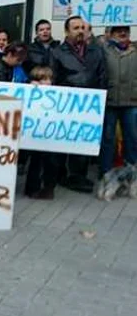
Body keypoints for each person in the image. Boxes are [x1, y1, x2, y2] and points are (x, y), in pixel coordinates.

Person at [52, 15, 107, 193]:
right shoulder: (57, 52)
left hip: (89, 104)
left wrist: (100, 97)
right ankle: (59, 174)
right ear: (67, 31)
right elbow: (52, 78)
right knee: (63, 141)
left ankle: (78, 176)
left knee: (82, 141)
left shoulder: (96, 51)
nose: (80, 31)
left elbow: (102, 76)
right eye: (76, 28)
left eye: (83, 28)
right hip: (65, 104)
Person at [99, 25, 137, 177]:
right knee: (108, 139)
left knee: (132, 137)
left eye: (125, 30)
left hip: (132, 101)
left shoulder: (135, 50)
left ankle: (132, 173)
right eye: (118, 30)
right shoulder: (103, 50)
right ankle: (106, 173)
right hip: (110, 101)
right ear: (111, 33)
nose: (122, 33)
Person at [25, 66, 58, 200]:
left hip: (49, 132)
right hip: (35, 133)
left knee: (51, 162)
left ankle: (48, 188)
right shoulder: (30, 91)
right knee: (36, 161)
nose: (48, 82)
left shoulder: (56, 93)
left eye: (50, 79)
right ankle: (32, 189)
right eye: (44, 79)